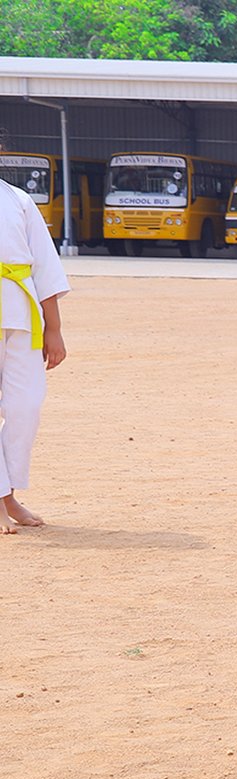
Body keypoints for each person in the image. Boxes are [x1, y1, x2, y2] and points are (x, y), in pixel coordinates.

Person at [1, 160, 69, 534]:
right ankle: (2, 499)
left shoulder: (18, 199)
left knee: (25, 408)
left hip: (22, 313)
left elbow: (45, 265)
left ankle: (8, 493)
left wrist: (54, 328)